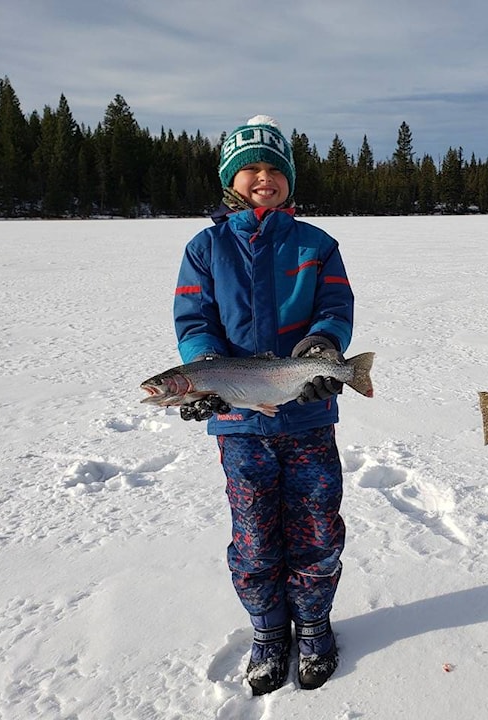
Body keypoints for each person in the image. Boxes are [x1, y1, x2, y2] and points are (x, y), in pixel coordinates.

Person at [172, 115, 355, 695]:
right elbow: (194, 321)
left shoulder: (316, 245)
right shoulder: (205, 249)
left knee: (317, 528)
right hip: (238, 426)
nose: (264, 177)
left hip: (307, 419)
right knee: (253, 535)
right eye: (251, 167)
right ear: (232, 177)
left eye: (275, 168)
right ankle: (270, 632)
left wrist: (325, 349)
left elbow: (334, 307)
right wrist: (204, 374)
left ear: (289, 180)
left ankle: (316, 626)